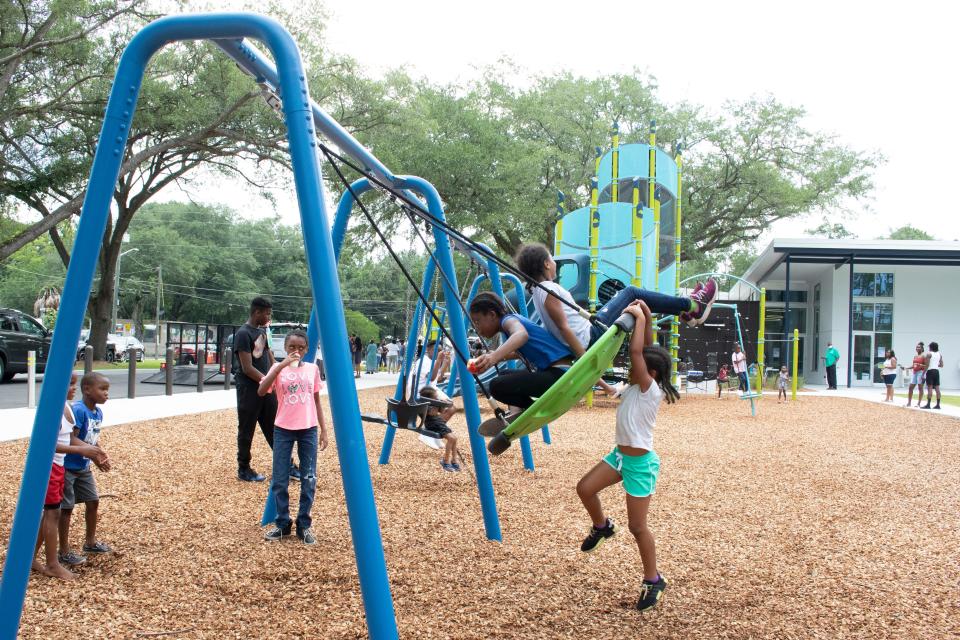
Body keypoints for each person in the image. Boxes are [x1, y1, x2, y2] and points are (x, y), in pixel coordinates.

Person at [574, 300, 677, 612]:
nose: (631, 368)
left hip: (639, 465)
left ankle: (653, 579)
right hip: (620, 456)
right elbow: (644, 350)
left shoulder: (650, 389)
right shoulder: (633, 386)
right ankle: (603, 526)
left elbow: (637, 353)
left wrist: (634, 317)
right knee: (585, 488)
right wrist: (644, 312)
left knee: (638, 527)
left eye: (637, 367)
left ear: (651, 372)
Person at [34, 373, 109, 580]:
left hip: (59, 467)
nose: (73, 388)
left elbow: (70, 439)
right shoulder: (54, 411)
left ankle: (32, 558)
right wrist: (83, 451)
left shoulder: (67, 408)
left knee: (52, 512)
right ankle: (52, 563)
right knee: (53, 513)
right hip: (52, 467)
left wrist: (93, 451)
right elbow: (48, 445)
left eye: (74, 383)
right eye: (70, 384)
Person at [259, 329, 328, 544]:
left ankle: (304, 524)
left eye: (300, 347)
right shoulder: (277, 369)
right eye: (292, 347)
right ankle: (282, 523)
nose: (296, 351)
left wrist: (324, 429)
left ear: (307, 349)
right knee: (280, 479)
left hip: (308, 428)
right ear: (285, 348)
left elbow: (315, 399)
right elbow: (262, 390)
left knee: (309, 478)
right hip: (283, 428)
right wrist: (280, 365)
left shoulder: (312, 369)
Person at [468, 291, 574, 432]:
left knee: (496, 386)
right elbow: (521, 351)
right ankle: (521, 411)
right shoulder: (510, 322)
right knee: (504, 374)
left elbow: (521, 335)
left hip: (559, 375)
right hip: (557, 373)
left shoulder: (508, 320)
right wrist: (494, 355)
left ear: (492, 315)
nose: (476, 328)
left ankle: (531, 411)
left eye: (477, 321)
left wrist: (494, 357)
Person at [57, 372, 113, 567]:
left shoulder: (98, 413)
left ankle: (90, 542)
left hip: (83, 466)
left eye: (107, 390)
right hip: (68, 467)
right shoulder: (78, 410)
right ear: (87, 390)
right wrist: (90, 451)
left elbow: (92, 438)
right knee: (66, 508)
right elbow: (70, 439)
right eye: (103, 389)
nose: (106, 394)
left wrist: (97, 456)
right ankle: (63, 551)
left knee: (93, 501)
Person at [234, 297, 278, 483]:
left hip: (266, 388)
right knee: (247, 429)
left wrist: (278, 372)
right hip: (249, 389)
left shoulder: (262, 331)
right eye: (266, 313)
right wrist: (268, 380)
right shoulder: (243, 334)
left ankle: (286, 463)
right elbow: (247, 368)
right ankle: (244, 468)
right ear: (257, 312)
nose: (268, 316)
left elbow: (269, 356)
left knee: (275, 427)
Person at [418, 386, 461, 472]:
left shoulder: (434, 403)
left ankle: (454, 460)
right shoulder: (424, 405)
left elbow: (441, 412)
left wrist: (443, 404)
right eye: (435, 397)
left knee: (455, 438)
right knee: (451, 438)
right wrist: (435, 405)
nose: (437, 398)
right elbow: (429, 414)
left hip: (439, 422)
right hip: (432, 424)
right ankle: (445, 461)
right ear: (429, 398)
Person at [922, 342, 944, 410]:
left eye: (929, 347)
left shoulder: (929, 354)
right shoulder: (939, 354)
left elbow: (927, 365)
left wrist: (923, 373)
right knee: (937, 388)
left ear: (931, 347)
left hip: (930, 371)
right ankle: (938, 405)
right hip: (936, 371)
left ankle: (928, 404)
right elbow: (941, 365)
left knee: (930, 387)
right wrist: (935, 365)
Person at [906, 342, 926, 407]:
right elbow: (913, 365)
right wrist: (906, 368)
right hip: (914, 372)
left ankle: (918, 403)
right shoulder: (915, 356)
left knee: (920, 388)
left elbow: (926, 365)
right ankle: (909, 402)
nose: (917, 348)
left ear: (922, 348)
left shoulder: (924, 356)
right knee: (910, 387)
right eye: (917, 347)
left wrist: (920, 365)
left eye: (919, 347)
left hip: (921, 372)